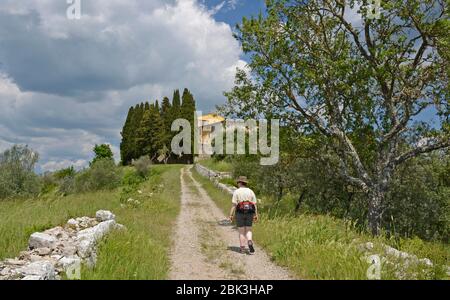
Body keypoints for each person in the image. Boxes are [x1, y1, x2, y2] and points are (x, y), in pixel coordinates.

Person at [229, 176, 258, 254]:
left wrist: (231, 215)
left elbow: (234, 205)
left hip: (240, 213)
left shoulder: (237, 192)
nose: (237, 184)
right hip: (250, 212)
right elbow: (254, 204)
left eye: (238, 182)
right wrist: (256, 214)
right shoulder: (251, 191)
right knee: (248, 229)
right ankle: (249, 241)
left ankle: (242, 249)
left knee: (241, 231)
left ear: (240, 183)